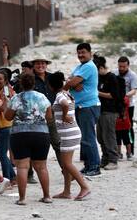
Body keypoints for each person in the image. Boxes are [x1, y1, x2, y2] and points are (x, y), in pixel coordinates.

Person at [5, 73, 53, 205]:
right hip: (41, 134)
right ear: (34, 84)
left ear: (21, 84)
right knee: (42, 167)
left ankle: (22, 199)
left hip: (20, 135)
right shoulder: (42, 97)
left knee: (22, 166)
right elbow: (49, 117)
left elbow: (8, 117)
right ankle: (47, 196)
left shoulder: (16, 98)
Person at [48, 72, 90, 201]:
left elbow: (65, 104)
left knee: (67, 164)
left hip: (68, 133)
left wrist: (65, 115)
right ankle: (66, 192)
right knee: (67, 164)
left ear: (51, 85)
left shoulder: (60, 95)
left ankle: (84, 187)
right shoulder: (67, 93)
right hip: (71, 132)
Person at [63, 43, 101, 176]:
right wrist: (73, 82)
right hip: (81, 106)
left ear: (90, 53)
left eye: (83, 52)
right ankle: (88, 165)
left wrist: (73, 83)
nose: (80, 55)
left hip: (88, 107)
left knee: (88, 137)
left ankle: (95, 167)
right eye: (79, 53)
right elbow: (69, 79)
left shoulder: (89, 66)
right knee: (84, 137)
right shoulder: (80, 67)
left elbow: (70, 83)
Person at [32, 57, 62, 169]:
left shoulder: (52, 77)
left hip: (52, 116)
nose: (40, 66)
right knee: (33, 145)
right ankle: (29, 174)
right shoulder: (30, 79)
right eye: (38, 63)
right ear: (34, 66)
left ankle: (65, 170)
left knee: (57, 143)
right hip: (36, 118)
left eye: (43, 63)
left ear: (46, 65)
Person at [94, 56, 120, 170]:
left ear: (101, 67)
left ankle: (113, 160)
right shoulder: (99, 78)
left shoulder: (112, 78)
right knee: (100, 137)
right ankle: (105, 159)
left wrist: (97, 93)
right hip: (100, 110)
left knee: (109, 136)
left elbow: (112, 95)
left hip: (110, 111)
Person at [0, 70, 16, 185]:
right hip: (0, 126)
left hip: (6, 125)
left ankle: (8, 179)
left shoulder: (6, 90)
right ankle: (13, 177)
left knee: (1, 153)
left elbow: (6, 106)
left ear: (5, 80)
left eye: (0, 79)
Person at [115, 56, 137, 155]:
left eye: (124, 67)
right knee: (117, 128)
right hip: (116, 105)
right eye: (120, 66)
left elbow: (134, 90)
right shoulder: (114, 73)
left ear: (128, 66)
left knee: (128, 128)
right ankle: (118, 152)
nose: (121, 69)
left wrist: (124, 95)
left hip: (128, 106)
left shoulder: (132, 75)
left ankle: (130, 151)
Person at [116, 96, 133, 161]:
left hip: (117, 124)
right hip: (126, 123)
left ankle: (119, 154)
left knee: (118, 140)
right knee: (127, 139)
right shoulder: (126, 99)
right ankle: (129, 154)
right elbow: (128, 105)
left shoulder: (115, 99)